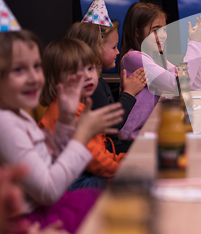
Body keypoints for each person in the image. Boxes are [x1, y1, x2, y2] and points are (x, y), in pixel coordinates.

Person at [0, 29, 123, 233]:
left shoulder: (18, 114)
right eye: (19, 70)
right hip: (36, 218)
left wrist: (66, 120)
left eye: (36, 66)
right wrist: (81, 135)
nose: (33, 77)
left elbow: (48, 162)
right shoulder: (6, 124)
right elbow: (48, 191)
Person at [39, 38, 126, 190]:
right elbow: (92, 159)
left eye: (90, 68)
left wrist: (124, 160)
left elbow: (98, 151)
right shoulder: (64, 112)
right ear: (55, 80)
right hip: (73, 183)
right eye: (75, 72)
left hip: (85, 174)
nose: (86, 76)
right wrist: (122, 169)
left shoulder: (80, 106)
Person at [118, 2, 201, 140]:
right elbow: (178, 84)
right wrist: (195, 43)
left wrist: (199, 44)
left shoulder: (157, 58)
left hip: (153, 130)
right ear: (137, 32)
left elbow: (193, 85)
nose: (162, 36)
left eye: (164, 30)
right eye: (155, 30)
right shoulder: (133, 57)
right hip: (136, 137)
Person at [66, 21, 146, 154]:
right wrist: (129, 94)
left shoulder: (99, 82)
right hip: (105, 151)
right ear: (96, 50)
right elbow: (111, 126)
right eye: (114, 47)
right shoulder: (92, 87)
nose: (118, 51)